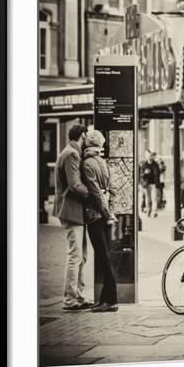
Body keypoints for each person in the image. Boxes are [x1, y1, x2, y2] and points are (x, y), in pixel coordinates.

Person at [52, 123, 94, 311]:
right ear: (82, 135)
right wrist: (94, 194)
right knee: (75, 255)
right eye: (87, 136)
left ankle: (79, 296)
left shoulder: (71, 152)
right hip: (70, 210)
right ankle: (70, 300)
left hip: (74, 210)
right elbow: (75, 184)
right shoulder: (71, 154)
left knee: (81, 256)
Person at [81, 129, 119, 313]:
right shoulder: (103, 162)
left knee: (104, 258)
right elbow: (111, 189)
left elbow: (95, 193)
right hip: (105, 215)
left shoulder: (87, 163)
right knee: (105, 256)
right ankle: (105, 298)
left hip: (96, 216)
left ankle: (111, 300)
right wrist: (110, 212)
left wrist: (106, 213)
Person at [139, 150, 160, 217]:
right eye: (148, 156)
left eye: (150, 156)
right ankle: (149, 210)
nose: (150, 157)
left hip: (154, 183)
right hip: (146, 184)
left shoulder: (155, 164)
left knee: (154, 198)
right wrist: (145, 173)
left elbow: (158, 173)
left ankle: (154, 211)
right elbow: (141, 174)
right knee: (148, 198)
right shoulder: (144, 164)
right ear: (146, 156)